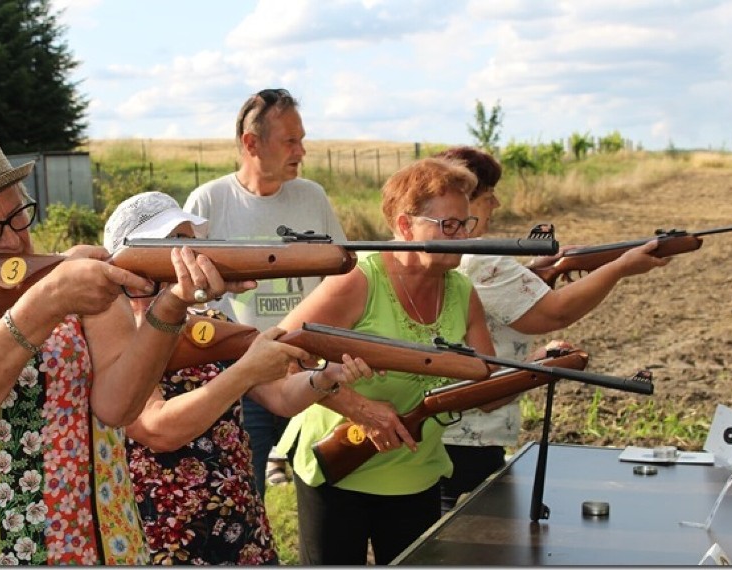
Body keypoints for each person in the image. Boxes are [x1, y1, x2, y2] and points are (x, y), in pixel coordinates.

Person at [0, 123, 243, 565]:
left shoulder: (75, 279)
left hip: (97, 544)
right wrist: (46, 303)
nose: (11, 239)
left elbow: (119, 407)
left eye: (17, 217)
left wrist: (173, 304)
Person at [104, 191, 371, 565]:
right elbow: (157, 428)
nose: (194, 252)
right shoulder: (117, 337)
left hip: (237, 522)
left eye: (192, 240)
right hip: (163, 534)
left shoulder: (210, 325)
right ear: (135, 258)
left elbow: (280, 398)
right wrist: (246, 371)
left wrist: (328, 376)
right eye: (176, 242)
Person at [274, 157, 497, 565]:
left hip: (416, 471)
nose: (462, 237)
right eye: (448, 225)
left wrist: (537, 366)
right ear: (406, 225)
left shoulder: (463, 291)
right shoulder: (359, 281)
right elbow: (279, 355)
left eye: (466, 224)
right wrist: (357, 408)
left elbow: (487, 390)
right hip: (340, 468)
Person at [435, 146, 671, 513]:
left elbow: (495, 301)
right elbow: (553, 314)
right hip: (469, 440)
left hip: (452, 433)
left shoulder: (448, 252)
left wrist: (536, 270)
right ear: (461, 200)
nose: (495, 204)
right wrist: (621, 266)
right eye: (487, 195)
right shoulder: (479, 254)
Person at [183, 88, 346, 496]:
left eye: (301, 139)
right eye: (291, 140)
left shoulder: (313, 197)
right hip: (244, 376)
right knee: (245, 492)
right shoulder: (208, 202)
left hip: (311, 368)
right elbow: (193, 296)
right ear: (251, 143)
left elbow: (340, 278)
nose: (302, 151)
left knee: (324, 487)